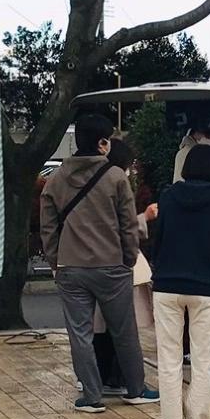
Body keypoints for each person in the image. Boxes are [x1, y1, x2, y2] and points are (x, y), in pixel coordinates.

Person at [41, 112, 157, 411]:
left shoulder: (55, 180)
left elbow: (48, 227)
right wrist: (128, 258)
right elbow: (128, 225)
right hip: (112, 266)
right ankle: (135, 388)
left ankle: (91, 396)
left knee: (80, 333)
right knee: (124, 330)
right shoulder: (115, 177)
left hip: (70, 268)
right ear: (103, 143)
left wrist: (57, 260)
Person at [147, 144, 210, 419]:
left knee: (169, 360)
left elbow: (159, 237)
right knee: (203, 360)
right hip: (207, 287)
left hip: (167, 285)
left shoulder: (168, 196)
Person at [92, 136, 154, 393]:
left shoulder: (94, 181)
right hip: (117, 264)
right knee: (122, 327)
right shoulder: (117, 182)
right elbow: (123, 226)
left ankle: (99, 377)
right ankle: (126, 382)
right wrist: (145, 218)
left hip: (93, 261)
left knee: (101, 327)